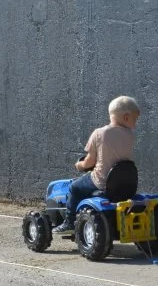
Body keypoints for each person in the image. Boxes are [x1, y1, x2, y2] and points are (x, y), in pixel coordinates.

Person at [52, 96, 140, 233]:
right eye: (136, 119)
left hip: (102, 181)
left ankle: (69, 222)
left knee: (74, 188)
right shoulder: (130, 135)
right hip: (125, 184)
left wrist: (79, 165)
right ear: (126, 118)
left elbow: (90, 162)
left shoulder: (99, 133)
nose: (136, 123)